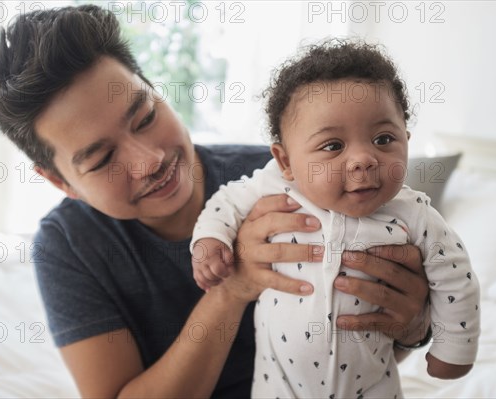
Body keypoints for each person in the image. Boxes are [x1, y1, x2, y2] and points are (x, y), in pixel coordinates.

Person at [0, 5, 431, 398]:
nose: (149, 160)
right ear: (60, 182)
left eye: (146, 116)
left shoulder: (289, 181)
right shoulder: (69, 245)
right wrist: (231, 290)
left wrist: (412, 328)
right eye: (103, 158)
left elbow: (368, 344)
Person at [191, 40, 480, 398]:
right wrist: (210, 240)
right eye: (333, 146)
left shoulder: (414, 214)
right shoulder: (275, 186)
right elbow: (226, 202)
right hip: (279, 385)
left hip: (372, 386)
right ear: (286, 162)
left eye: (383, 138)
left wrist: (454, 350)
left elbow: (457, 276)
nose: (363, 158)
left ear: (406, 140)